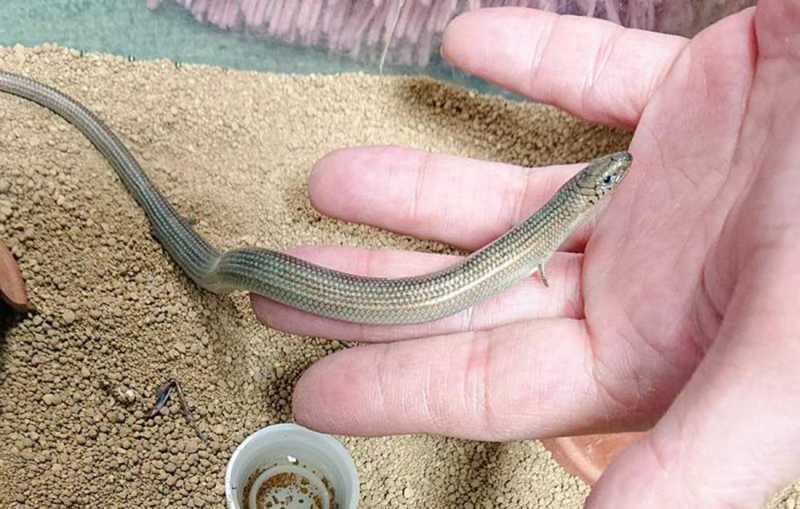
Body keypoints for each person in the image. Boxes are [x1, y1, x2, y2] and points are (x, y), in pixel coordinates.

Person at [252, 1, 800, 507]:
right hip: (442, 285)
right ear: (591, 193)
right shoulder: (574, 206)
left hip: (466, 278)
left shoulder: (568, 215)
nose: (618, 175)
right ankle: (235, 269)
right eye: (609, 180)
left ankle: (238, 269)